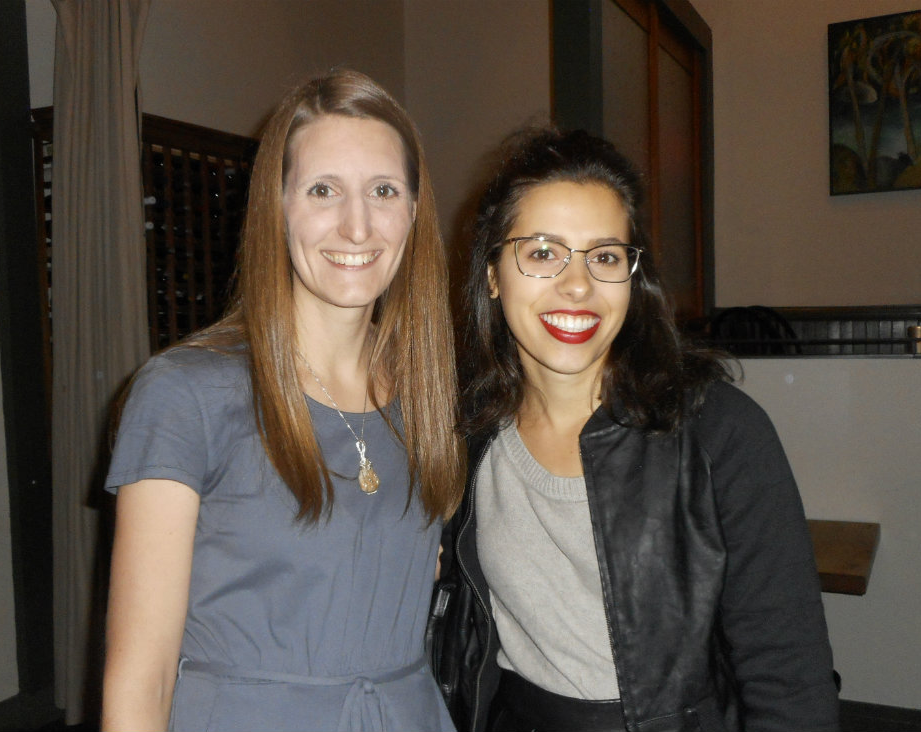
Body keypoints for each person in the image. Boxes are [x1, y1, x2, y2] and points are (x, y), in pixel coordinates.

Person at [432, 128, 839, 732]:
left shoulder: (720, 433)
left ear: (631, 277)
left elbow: (789, 680)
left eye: (604, 256)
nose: (578, 285)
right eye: (542, 252)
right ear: (493, 273)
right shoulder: (466, 434)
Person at [101, 69, 465, 732]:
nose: (356, 226)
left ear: (413, 211)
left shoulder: (428, 398)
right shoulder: (186, 393)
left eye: (383, 191)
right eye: (323, 190)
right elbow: (139, 680)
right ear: (278, 207)